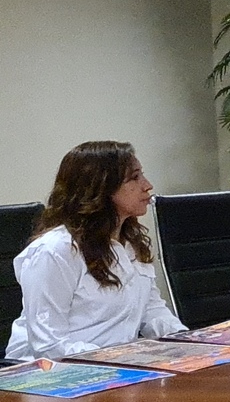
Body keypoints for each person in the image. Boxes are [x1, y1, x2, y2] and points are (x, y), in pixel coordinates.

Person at [7, 141, 185, 360]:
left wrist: (189, 342)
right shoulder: (55, 251)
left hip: (115, 365)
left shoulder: (131, 243)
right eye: (134, 178)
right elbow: (49, 345)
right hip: (53, 371)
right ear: (101, 188)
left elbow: (153, 311)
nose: (147, 185)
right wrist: (118, 358)